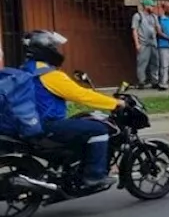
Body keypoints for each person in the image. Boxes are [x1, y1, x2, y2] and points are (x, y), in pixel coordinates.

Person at [20, 30, 124, 189]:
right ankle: (94, 175)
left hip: (28, 124)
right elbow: (81, 95)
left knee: (79, 123)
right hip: (48, 125)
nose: (57, 51)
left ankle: (69, 166)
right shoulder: (49, 75)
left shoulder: (26, 68)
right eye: (54, 47)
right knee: (99, 130)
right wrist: (115, 103)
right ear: (47, 50)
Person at [131, 0, 159, 88]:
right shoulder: (138, 16)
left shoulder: (154, 16)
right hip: (143, 43)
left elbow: (157, 28)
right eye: (152, 6)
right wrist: (137, 44)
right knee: (142, 63)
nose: (153, 7)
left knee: (155, 62)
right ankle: (141, 81)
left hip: (153, 43)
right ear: (146, 6)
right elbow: (134, 30)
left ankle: (155, 81)